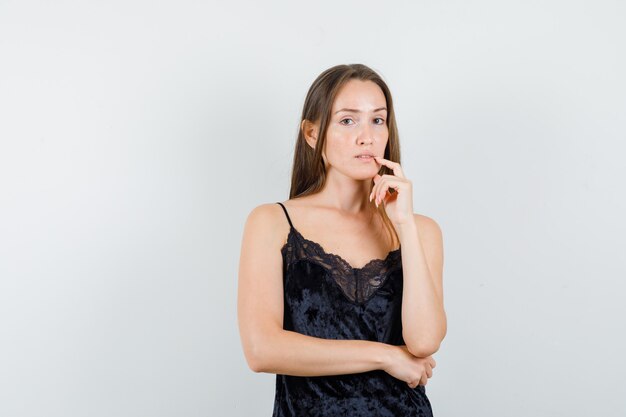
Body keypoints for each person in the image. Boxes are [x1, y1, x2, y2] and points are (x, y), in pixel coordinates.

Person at [237, 63, 446, 416]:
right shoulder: (272, 222)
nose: (367, 136)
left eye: (377, 120)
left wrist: (405, 225)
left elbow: (424, 341)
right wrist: (385, 356)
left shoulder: (421, 229)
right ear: (312, 134)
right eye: (348, 120)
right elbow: (261, 350)